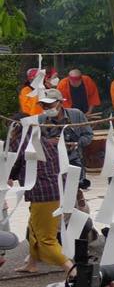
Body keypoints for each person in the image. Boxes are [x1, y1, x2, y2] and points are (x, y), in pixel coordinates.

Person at [6, 99, 69, 274]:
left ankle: (71, 269)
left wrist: (8, 177)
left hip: (43, 193)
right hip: (55, 189)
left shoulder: (19, 141)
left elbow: (14, 162)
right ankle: (31, 264)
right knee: (33, 226)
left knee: (46, 239)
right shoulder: (42, 139)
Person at [41, 89, 93, 195]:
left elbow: (88, 135)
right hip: (52, 165)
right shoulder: (41, 120)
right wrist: (48, 142)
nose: (46, 108)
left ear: (60, 103)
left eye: (49, 105)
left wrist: (77, 143)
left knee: (75, 194)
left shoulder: (76, 114)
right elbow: (35, 141)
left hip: (74, 160)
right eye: (44, 105)